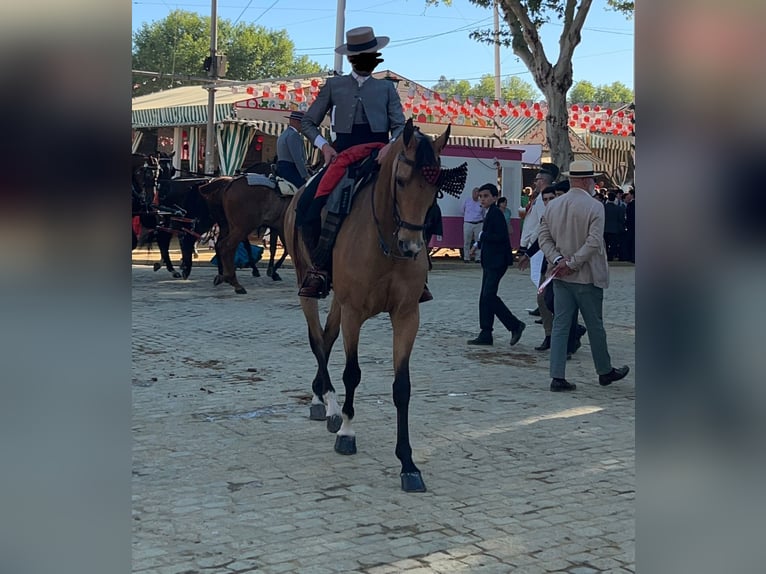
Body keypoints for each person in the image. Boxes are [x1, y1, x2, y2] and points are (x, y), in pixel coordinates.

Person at [296, 26, 406, 298]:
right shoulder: (334, 86)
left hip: (379, 152)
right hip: (342, 154)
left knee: (417, 199)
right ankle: (319, 270)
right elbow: (308, 122)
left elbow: (401, 126)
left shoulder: (387, 89)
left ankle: (417, 272)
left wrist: (390, 148)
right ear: (352, 58)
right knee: (306, 209)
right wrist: (323, 147)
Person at [537, 160, 630, 392]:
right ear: (588, 181)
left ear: (571, 180)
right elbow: (594, 241)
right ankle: (604, 370)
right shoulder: (594, 206)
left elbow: (543, 238)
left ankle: (557, 375)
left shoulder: (554, 205)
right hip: (586, 276)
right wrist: (574, 263)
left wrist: (558, 261)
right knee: (595, 325)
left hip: (560, 276)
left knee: (560, 325)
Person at [466, 183, 525, 347]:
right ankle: (486, 333)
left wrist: (483, 235)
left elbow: (500, 236)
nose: (483, 199)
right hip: (490, 260)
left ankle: (514, 325)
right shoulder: (489, 213)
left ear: (494, 197)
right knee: (484, 297)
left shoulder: (496, 214)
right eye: (481, 196)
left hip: (497, 262)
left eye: (486, 196)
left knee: (488, 296)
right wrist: (477, 245)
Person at [275, 110, 309, 189]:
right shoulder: (294, 135)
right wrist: (305, 175)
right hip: (291, 169)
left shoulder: (284, 134)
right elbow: (297, 158)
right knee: (306, 189)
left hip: (281, 167)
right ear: (297, 122)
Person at [462, 187, 484, 262]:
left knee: (478, 241)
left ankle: (478, 258)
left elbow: (483, 213)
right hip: (468, 223)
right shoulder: (467, 201)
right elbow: (463, 210)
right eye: (474, 192)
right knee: (466, 241)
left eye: (477, 193)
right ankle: (466, 257)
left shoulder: (481, 202)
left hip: (478, 223)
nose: (475, 194)